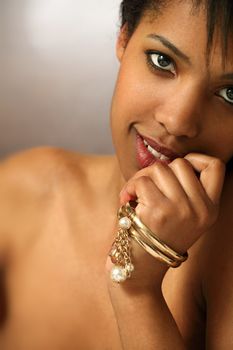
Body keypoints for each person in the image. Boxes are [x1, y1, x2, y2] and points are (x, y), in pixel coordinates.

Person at [0, 0, 233, 348]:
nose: (178, 120)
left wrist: (137, 293)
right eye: (162, 61)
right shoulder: (22, 191)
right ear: (124, 39)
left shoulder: (225, 252)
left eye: (230, 94)